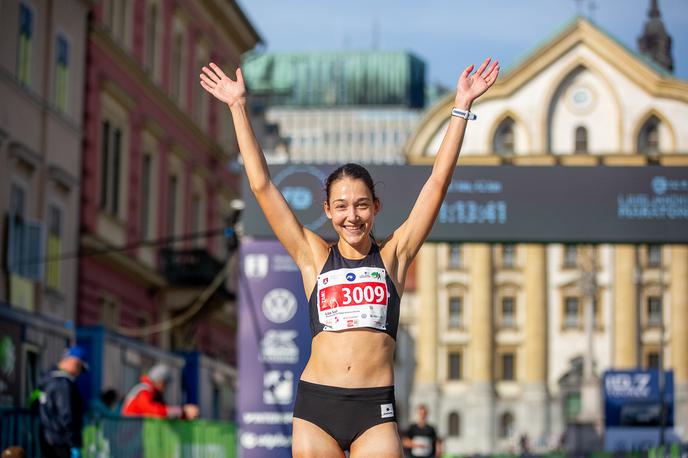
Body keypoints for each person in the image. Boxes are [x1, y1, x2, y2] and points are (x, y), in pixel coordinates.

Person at [200, 56, 499, 457]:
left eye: (361, 205)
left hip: (375, 411)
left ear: (375, 207)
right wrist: (237, 106)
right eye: (341, 206)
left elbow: (437, 184)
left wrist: (461, 105)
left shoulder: (395, 255)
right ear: (327, 210)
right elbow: (263, 186)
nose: (351, 216)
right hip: (315, 408)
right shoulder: (312, 256)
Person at [38, 345, 88, 458]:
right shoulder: (63, 384)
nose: (78, 372)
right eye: (80, 367)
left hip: (47, 438)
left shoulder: (47, 380)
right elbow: (66, 415)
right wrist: (74, 443)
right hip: (61, 441)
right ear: (74, 362)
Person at [121, 363, 199, 419]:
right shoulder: (144, 390)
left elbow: (164, 410)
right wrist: (182, 411)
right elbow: (153, 411)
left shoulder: (153, 393)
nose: (165, 388)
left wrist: (183, 414)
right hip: (128, 434)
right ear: (159, 381)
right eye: (165, 383)